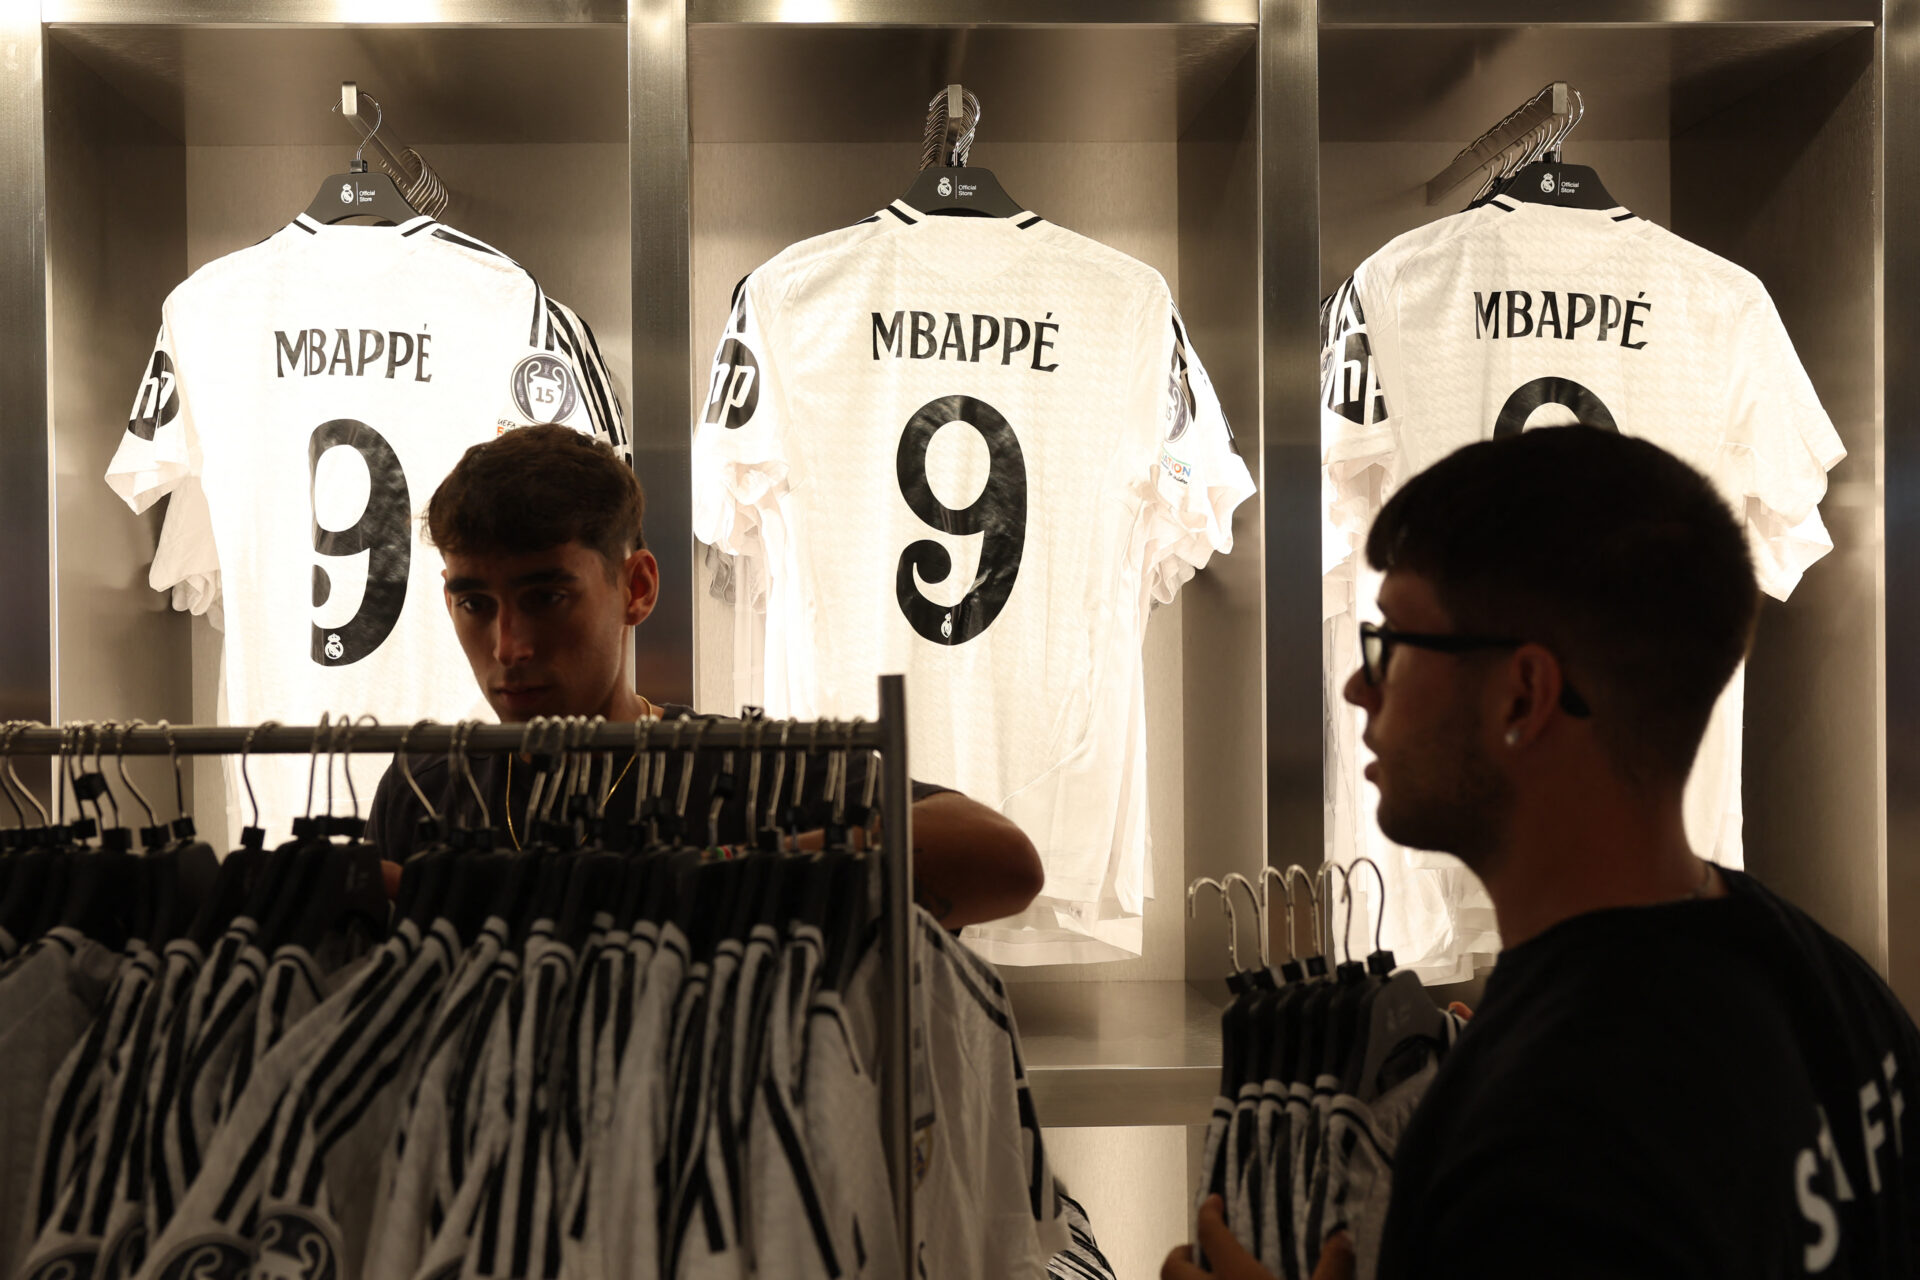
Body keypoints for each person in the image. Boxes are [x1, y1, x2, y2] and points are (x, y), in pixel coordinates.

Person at [1164, 426, 1920, 1279]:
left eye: (1394, 645)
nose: (1357, 686)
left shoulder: (1546, 1125)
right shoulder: (1833, 990)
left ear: (1524, 694)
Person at [364, 424, 1045, 931]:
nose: (507, 647)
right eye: (474, 604)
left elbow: (1002, 860)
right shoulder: (426, 789)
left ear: (636, 588)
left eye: (546, 597)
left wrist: (696, 881)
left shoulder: (750, 770)